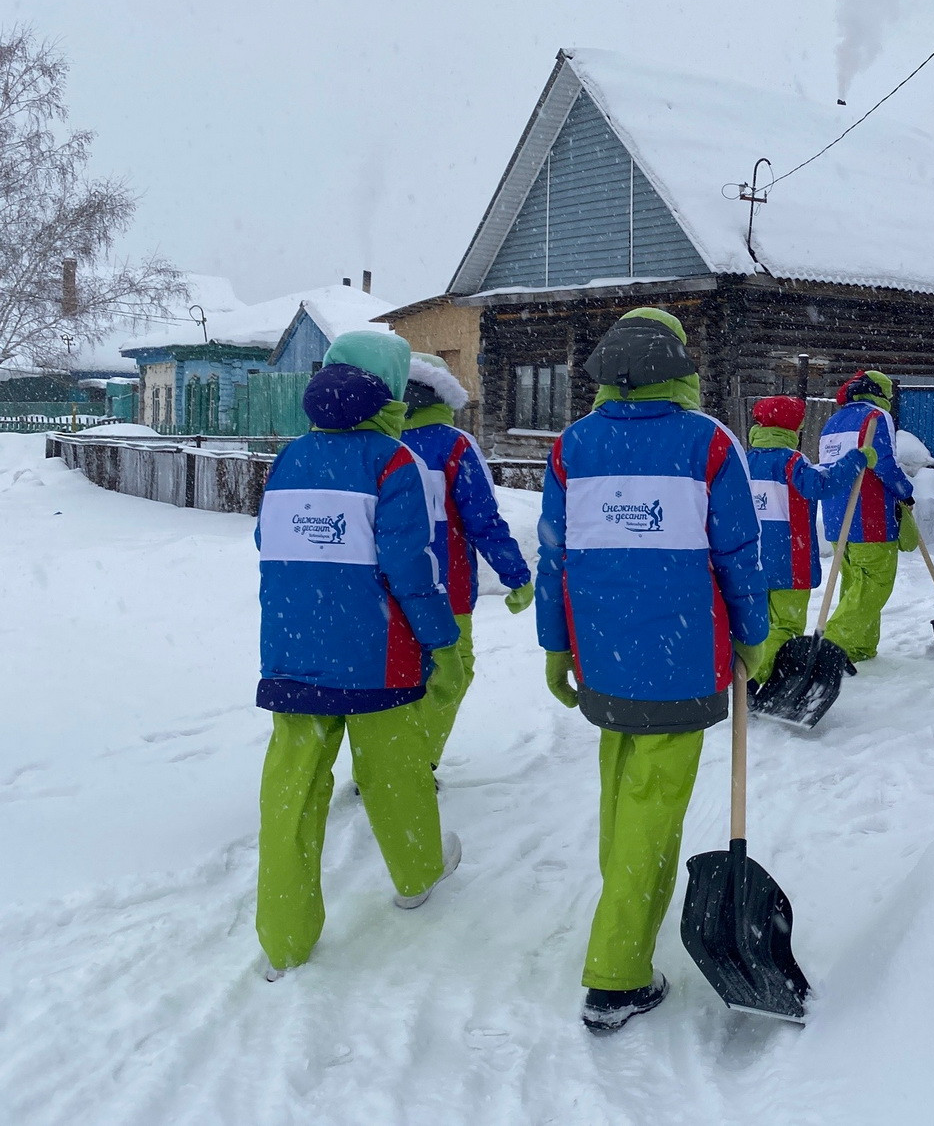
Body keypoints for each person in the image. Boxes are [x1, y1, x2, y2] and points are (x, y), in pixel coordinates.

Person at [535, 307, 768, 1033]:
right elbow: (738, 554)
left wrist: (555, 643)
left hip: (606, 657)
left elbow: (555, 557)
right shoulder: (707, 445)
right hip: (683, 660)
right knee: (652, 813)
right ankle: (617, 973)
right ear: (680, 369)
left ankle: (620, 919)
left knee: (624, 799)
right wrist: (754, 637)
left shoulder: (573, 447)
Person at [254, 330, 462, 982]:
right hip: (379, 656)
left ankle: (284, 937)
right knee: (392, 774)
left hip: (293, 653)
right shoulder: (391, 461)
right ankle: (417, 874)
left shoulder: (289, 459)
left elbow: (267, 537)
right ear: (392, 393)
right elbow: (409, 564)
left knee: (292, 794)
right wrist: (437, 633)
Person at [400, 352, 533, 770]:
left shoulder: (375, 441)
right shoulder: (453, 444)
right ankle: (412, 762)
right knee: (452, 670)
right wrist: (515, 574)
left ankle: (388, 759)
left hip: (385, 585)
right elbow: (482, 518)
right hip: (446, 585)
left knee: (398, 674)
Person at [744, 394, 871, 681]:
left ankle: (745, 673)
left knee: (758, 624)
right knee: (785, 626)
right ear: (791, 429)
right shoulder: (791, 462)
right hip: (789, 559)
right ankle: (761, 678)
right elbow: (822, 484)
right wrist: (856, 459)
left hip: (752, 559)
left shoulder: (744, 461)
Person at [817, 370, 917, 665]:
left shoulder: (832, 421)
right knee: (874, 583)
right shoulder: (875, 417)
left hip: (837, 514)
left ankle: (858, 647)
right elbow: (885, 462)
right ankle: (833, 644)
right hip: (870, 514)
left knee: (854, 582)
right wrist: (905, 491)